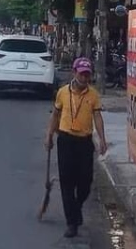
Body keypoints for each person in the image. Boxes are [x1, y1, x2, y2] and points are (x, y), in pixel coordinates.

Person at [44, 57, 107, 239]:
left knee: (85, 183)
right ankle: (72, 223)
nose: (84, 78)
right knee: (67, 183)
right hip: (66, 141)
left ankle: (76, 207)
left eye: (87, 75)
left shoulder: (93, 95)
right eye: (81, 74)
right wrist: (49, 136)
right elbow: (55, 115)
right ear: (74, 73)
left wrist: (102, 139)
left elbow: (97, 117)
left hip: (84, 142)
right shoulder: (63, 93)